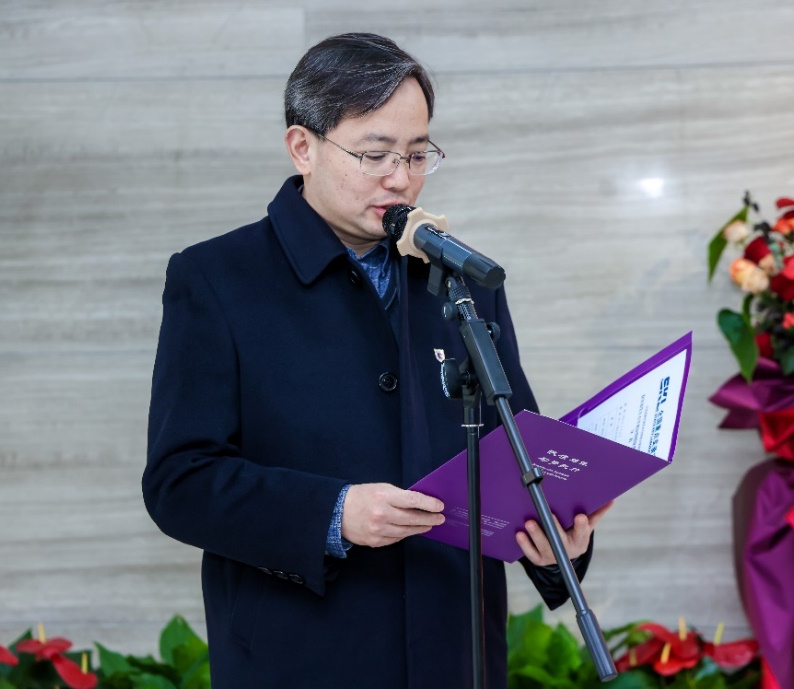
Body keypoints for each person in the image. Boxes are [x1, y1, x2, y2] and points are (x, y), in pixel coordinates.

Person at [143, 32, 610, 689]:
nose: (401, 177)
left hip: (456, 652)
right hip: (301, 657)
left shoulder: (461, 279)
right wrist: (335, 512)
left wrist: (558, 540)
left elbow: (515, 451)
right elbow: (180, 482)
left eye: (417, 154)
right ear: (303, 147)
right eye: (375, 154)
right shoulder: (218, 279)